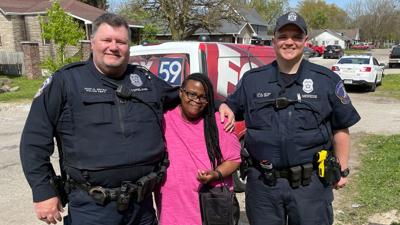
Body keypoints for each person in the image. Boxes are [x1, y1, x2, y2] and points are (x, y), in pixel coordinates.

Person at [20, 13, 234, 225]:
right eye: (107, 40)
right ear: (92, 42)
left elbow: (182, 95)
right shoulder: (66, 82)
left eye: (121, 42)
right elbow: (34, 142)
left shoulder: (145, 79)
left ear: (128, 47)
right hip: (92, 208)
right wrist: (43, 191)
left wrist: (218, 104)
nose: (114, 47)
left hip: (141, 207)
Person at [226, 12, 361, 225]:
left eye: (296, 37)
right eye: (283, 36)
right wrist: (226, 107)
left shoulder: (326, 81)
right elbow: (229, 108)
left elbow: (341, 129)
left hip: (311, 187)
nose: (290, 42)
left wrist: (342, 170)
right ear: (274, 41)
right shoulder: (252, 80)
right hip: (263, 187)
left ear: (305, 41)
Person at [155, 73, 241, 225]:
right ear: (181, 93)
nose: (196, 100)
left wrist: (214, 174)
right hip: (172, 207)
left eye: (203, 97)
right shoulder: (164, 119)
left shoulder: (219, 122)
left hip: (210, 207)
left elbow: (234, 159)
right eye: (191, 94)